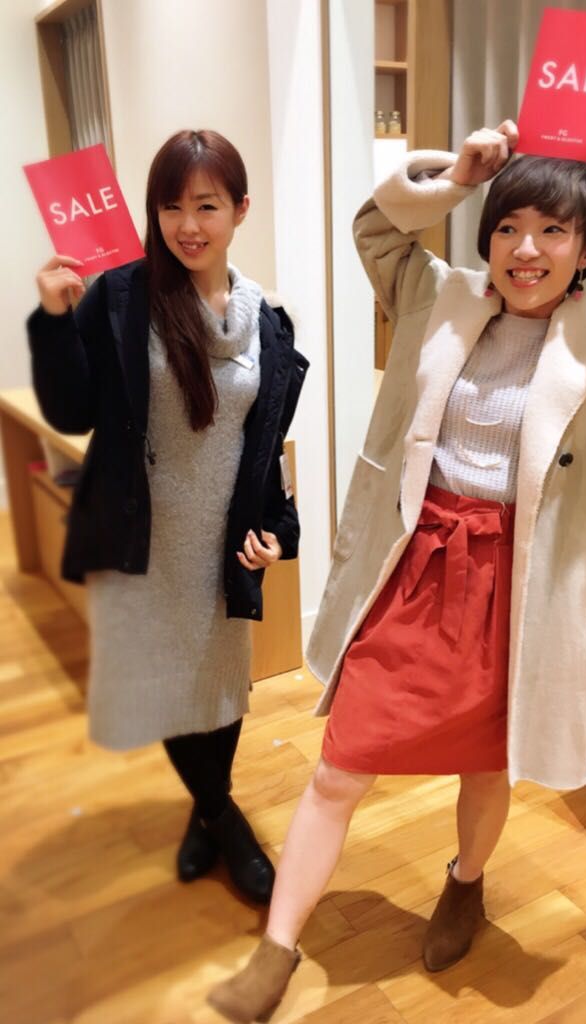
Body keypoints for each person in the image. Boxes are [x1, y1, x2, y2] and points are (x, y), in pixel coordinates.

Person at [207, 118, 586, 1022]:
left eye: (553, 231)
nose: (524, 250)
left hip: (526, 587)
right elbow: (374, 231)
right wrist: (456, 175)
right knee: (340, 765)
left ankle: (465, 883)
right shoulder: (438, 296)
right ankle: (278, 946)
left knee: (487, 764)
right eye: (507, 227)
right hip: (418, 566)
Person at [27, 130, 308, 905]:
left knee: (218, 687)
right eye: (171, 206)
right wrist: (53, 320)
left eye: (206, 206)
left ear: (240, 210)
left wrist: (277, 530)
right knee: (162, 686)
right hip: (140, 537)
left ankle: (203, 815)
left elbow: (261, 446)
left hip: (220, 544)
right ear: (152, 212)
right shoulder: (122, 296)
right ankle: (228, 825)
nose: (188, 225)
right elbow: (72, 410)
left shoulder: (268, 323)